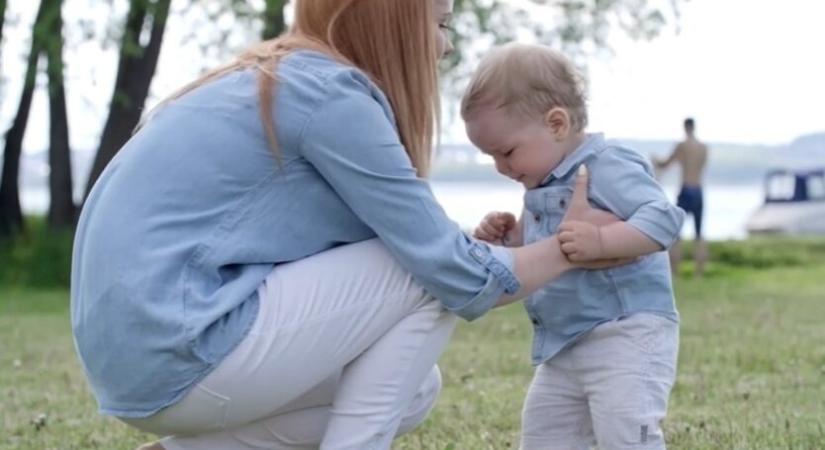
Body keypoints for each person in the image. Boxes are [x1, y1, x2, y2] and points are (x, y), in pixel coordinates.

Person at [70, 2, 622, 450]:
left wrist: (463, 253)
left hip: (137, 359)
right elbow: (445, 271)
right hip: (180, 343)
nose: (447, 45)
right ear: (396, 18)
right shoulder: (330, 94)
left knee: (413, 391)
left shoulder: (278, 77)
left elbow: (377, 263)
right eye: (441, 23)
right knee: (420, 275)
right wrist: (572, 247)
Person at [463, 43, 684, 450]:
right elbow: (550, 250)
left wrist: (601, 240)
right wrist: (509, 239)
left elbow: (664, 220)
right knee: (544, 435)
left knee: (625, 431)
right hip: (565, 342)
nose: (502, 168)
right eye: (491, 158)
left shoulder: (606, 164)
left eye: (507, 152)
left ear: (557, 124)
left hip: (625, 331)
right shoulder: (542, 181)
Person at [655, 117, 710, 277]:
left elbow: (665, 164)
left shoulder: (682, 146)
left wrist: (655, 161)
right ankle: (699, 273)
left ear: (685, 128)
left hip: (686, 189)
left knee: (677, 234)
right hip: (699, 190)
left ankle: (675, 273)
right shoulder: (703, 148)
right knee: (699, 234)